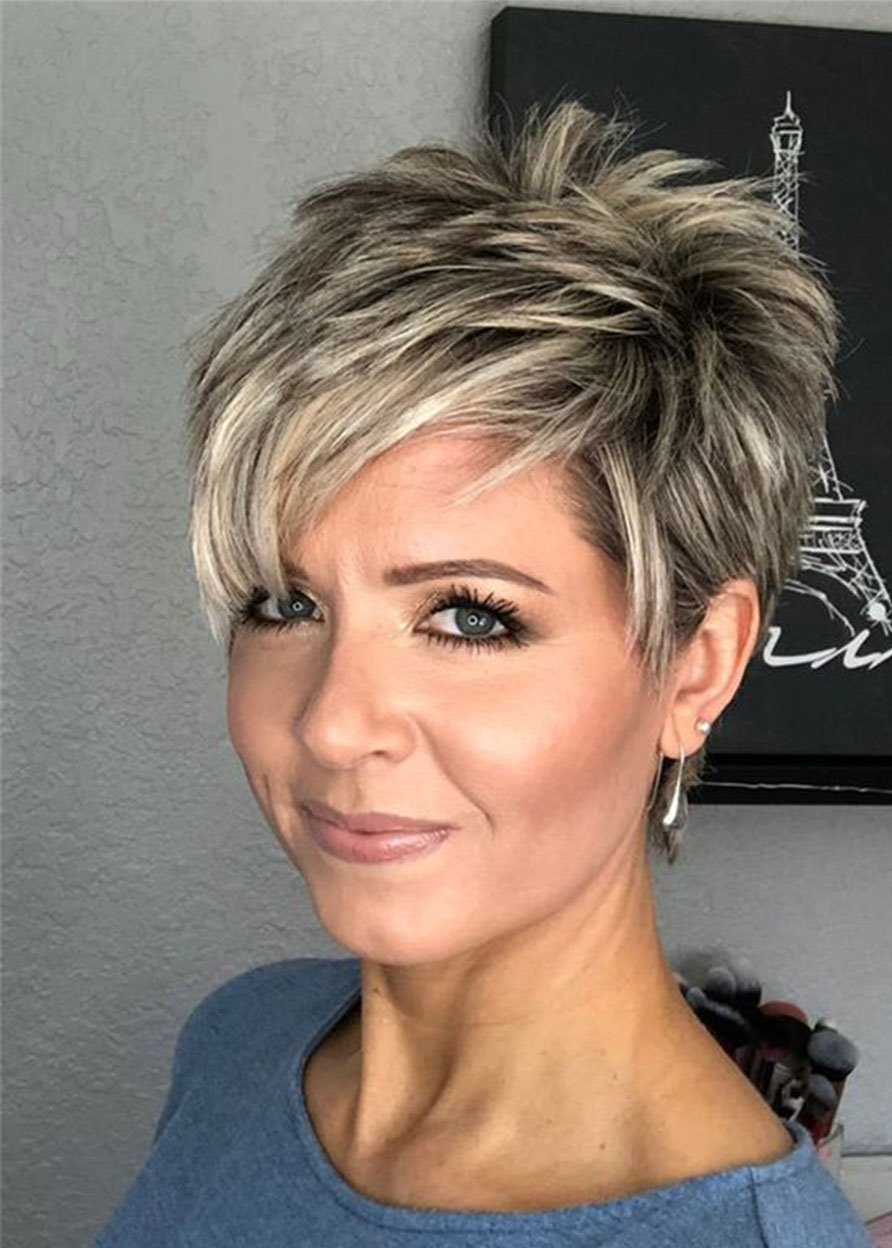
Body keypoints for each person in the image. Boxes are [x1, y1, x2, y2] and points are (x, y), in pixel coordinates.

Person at [94, 100, 870, 1245]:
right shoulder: (240, 1040)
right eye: (285, 605)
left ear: (696, 668)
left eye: (468, 616)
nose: (332, 724)